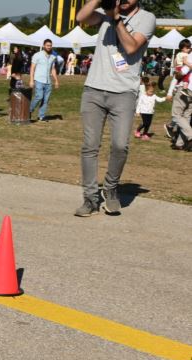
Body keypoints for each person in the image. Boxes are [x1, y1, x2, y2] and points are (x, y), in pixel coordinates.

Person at [74, 0, 155, 217]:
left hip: (124, 93)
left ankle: (110, 188)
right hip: (93, 90)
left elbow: (130, 46)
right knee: (89, 146)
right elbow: (81, 18)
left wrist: (116, 18)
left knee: (120, 145)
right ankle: (90, 198)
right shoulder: (104, 14)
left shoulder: (146, 18)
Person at [29, 39, 60, 123]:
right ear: (44, 46)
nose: (49, 47)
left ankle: (41, 116)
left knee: (45, 100)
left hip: (48, 81)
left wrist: (56, 81)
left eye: (50, 45)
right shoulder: (37, 55)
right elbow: (32, 68)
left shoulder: (53, 57)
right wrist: (31, 80)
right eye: (47, 45)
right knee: (39, 96)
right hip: (38, 80)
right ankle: (29, 110)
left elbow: (53, 69)